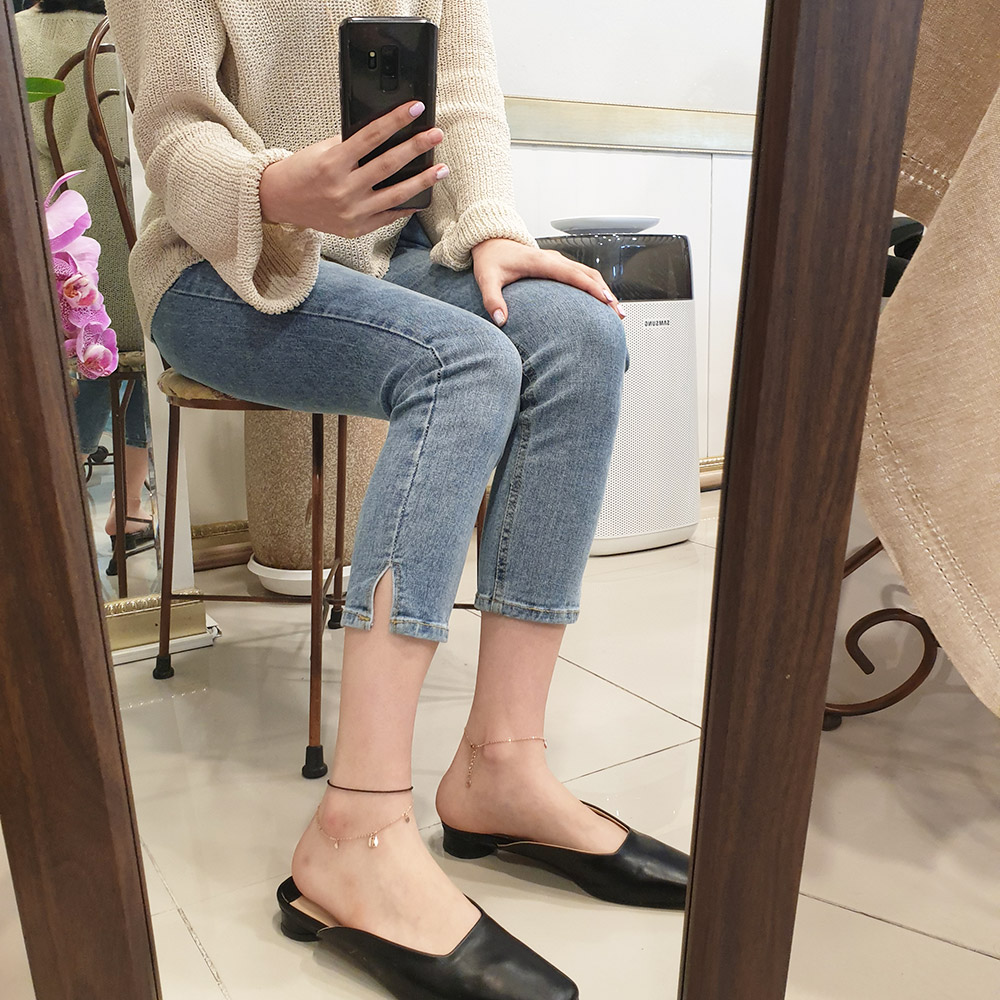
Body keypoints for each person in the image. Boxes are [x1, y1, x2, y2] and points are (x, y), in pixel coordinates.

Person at [105, 1, 689, 997]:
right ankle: (357, 827)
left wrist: (490, 227)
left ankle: (501, 767)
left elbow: (463, 96)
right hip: (217, 264)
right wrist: (274, 188)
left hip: (395, 258)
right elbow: (171, 128)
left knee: (580, 336)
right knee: (463, 363)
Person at [16, 0, 152, 552]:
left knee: (78, 370)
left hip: (66, 270)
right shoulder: (137, 31)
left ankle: (56, 523)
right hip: (149, 266)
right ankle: (131, 509)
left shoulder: (16, 39)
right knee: (140, 368)